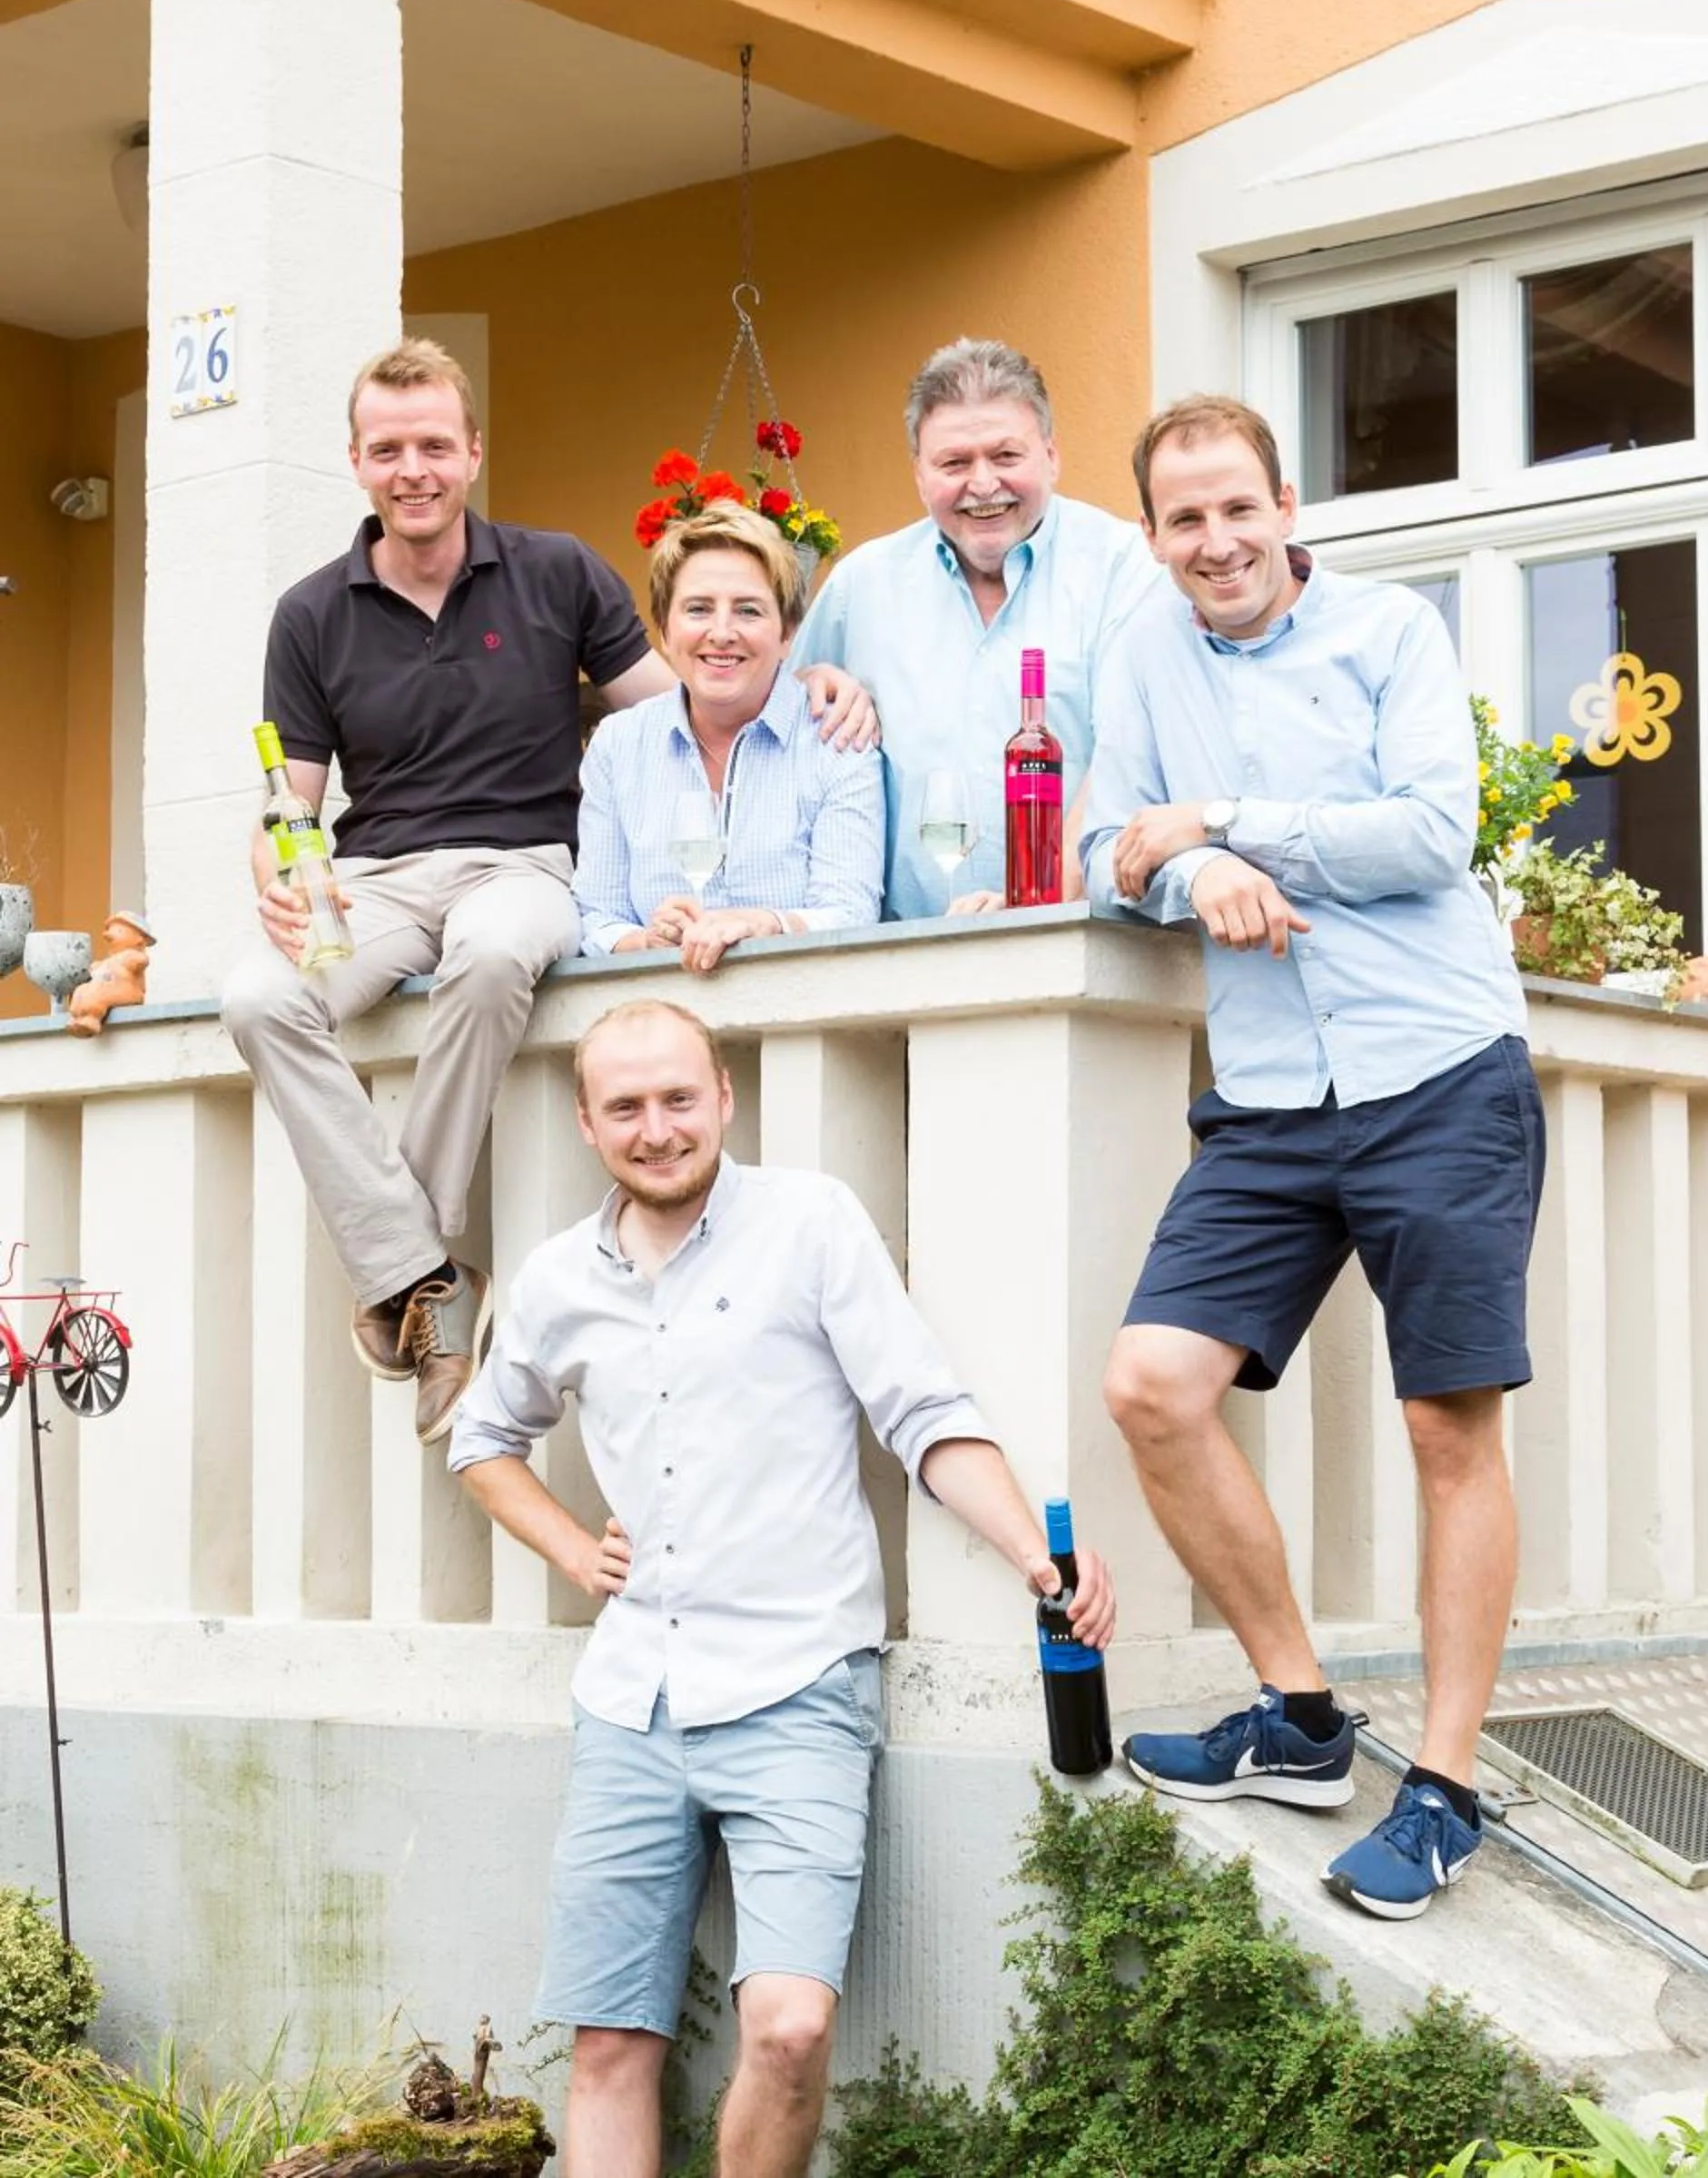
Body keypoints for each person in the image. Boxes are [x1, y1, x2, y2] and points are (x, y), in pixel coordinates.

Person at [449, 998, 1115, 2178]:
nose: (657, 1129)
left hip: (801, 1687)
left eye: (678, 1099)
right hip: (630, 1704)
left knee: (792, 2027)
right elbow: (482, 1440)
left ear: (724, 1097)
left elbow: (922, 1412)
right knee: (608, 2045)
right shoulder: (559, 1281)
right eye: (627, 1107)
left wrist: (1034, 1551)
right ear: (588, 1123)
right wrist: (567, 1548)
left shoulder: (810, 1226)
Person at [221, 340, 872, 1447]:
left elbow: (686, 701)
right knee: (253, 998)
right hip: (373, 880)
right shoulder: (309, 613)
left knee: (488, 955)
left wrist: (802, 677)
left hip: (524, 863)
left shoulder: (556, 572)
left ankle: (407, 1280)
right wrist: (282, 875)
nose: (413, 468)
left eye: (434, 444)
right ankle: (426, 1270)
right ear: (357, 462)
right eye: (389, 449)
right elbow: (292, 804)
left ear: (472, 452)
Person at [1083, 394, 1542, 1922]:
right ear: (1153, 534)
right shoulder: (1141, 654)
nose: (1214, 542)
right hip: (1274, 1091)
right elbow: (1111, 848)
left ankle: (1449, 1787)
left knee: (1444, 1430)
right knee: (1154, 1384)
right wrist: (1190, 866)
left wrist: (1218, 821)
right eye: (1182, 519)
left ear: (1287, 507)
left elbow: (1429, 833)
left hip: (1435, 1067)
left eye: (1236, 509)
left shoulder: (1389, 633)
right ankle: (1300, 1719)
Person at [790, 337, 1167, 919]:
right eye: (954, 463)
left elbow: (1131, 752)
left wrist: (1039, 907)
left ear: (1051, 455)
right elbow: (786, 738)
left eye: (1006, 456)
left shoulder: (1125, 568)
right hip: (899, 962)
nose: (983, 483)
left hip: (1086, 945)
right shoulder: (858, 587)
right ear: (919, 474)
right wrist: (813, 678)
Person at [576, 503, 884, 971]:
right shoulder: (618, 746)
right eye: (698, 609)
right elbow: (595, 916)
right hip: (658, 1017)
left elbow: (852, 913)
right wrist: (647, 940)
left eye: (748, 610)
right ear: (664, 629)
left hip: (798, 1010)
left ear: (787, 634)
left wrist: (767, 924)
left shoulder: (834, 734)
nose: (722, 633)